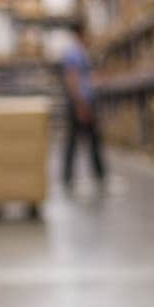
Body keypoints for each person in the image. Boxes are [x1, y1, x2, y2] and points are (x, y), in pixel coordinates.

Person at [61, 18, 106, 191]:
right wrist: (80, 105)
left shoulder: (81, 52)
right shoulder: (74, 53)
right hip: (80, 103)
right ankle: (94, 175)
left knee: (88, 140)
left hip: (83, 102)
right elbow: (71, 79)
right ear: (81, 33)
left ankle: (96, 175)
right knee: (81, 140)